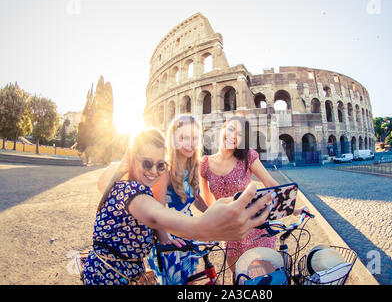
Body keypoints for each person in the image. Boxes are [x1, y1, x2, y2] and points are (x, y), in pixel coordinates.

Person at [84, 128, 274, 285]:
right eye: (147, 163)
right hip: (109, 277)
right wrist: (205, 228)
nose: (153, 172)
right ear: (131, 159)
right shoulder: (132, 191)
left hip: (128, 272)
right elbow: (156, 214)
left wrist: (167, 236)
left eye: (160, 165)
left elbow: (156, 219)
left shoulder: (130, 185)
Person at [200, 115, 306, 273]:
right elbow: (208, 200)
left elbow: (270, 184)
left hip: (256, 228)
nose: (233, 136)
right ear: (222, 129)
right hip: (229, 232)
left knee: (265, 277)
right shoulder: (205, 164)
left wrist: (293, 208)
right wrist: (210, 224)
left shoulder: (248, 156)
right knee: (239, 277)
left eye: (240, 134)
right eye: (230, 129)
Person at [146, 115, 208, 285]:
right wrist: (166, 240)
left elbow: (196, 198)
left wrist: (212, 214)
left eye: (195, 137)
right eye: (184, 137)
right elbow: (155, 213)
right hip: (167, 235)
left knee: (190, 281)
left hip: (187, 230)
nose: (190, 143)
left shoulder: (193, 166)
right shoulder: (164, 169)